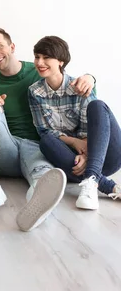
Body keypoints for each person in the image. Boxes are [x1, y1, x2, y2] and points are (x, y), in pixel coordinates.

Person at [0, 27, 96, 232]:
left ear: (12, 47)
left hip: (38, 147)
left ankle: (38, 207)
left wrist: (91, 77)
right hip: (7, 147)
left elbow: (73, 84)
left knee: (45, 179)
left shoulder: (39, 69)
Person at [29, 35, 121, 210]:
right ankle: (95, 182)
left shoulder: (80, 85)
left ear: (61, 61)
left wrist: (87, 153)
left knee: (98, 106)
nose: (40, 62)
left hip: (105, 157)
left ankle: (93, 178)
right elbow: (45, 131)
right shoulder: (35, 92)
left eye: (46, 57)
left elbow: (94, 128)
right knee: (46, 142)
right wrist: (74, 142)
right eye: (37, 56)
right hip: (74, 163)